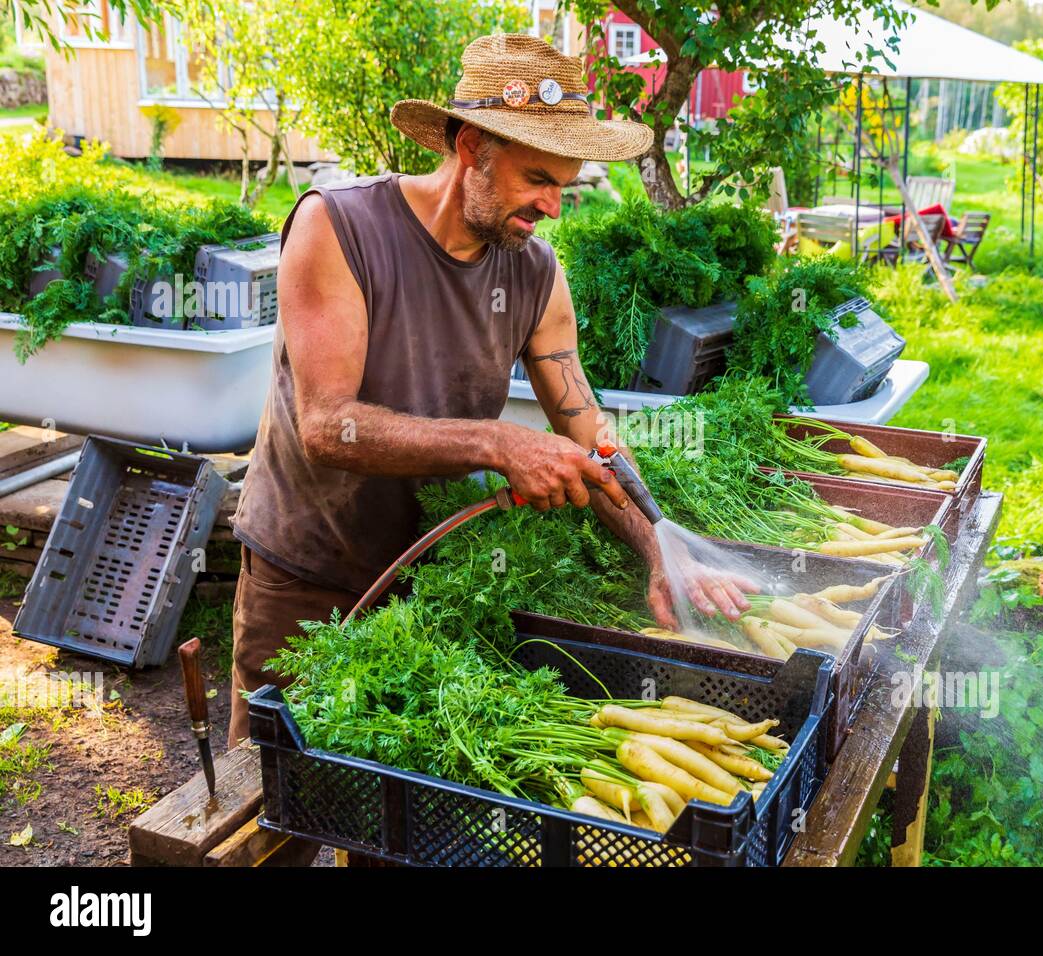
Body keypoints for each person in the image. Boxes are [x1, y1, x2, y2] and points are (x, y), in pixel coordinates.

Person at [227, 34, 753, 742]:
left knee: (388, 816)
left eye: (564, 185)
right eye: (538, 178)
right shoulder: (339, 227)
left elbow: (587, 433)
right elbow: (326, 426)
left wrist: (660, 550)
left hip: (437, 585)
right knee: (271, 805)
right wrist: (500, 443)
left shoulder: (536, 274)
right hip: (307, 572)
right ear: (472, 146)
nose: (554, 206)